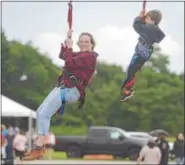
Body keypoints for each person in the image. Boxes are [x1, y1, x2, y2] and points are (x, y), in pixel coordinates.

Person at [23, 30, 98, 160]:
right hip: (63, 87)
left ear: (92, 44)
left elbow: (69, 63)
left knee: (44, 114)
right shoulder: (79, 54)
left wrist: (69, 47)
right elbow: (63, 55)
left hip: (71, 90)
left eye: (86, 42)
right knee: (40, 112)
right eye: (81, 41)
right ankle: (38, 147)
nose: (83, 43)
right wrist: (67, 41)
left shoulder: (90, 56)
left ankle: (39, 148)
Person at [120, 9, 165, 101]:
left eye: (147, 18)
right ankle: (127, 89)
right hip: (143, 51)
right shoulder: (154, 30)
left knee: (131, 70)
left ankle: (127, 89)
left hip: (141, 52)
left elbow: (136, 26)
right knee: (132, 69)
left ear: (152, 20)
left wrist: (139, 17)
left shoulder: (149, 29)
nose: (145, 19)